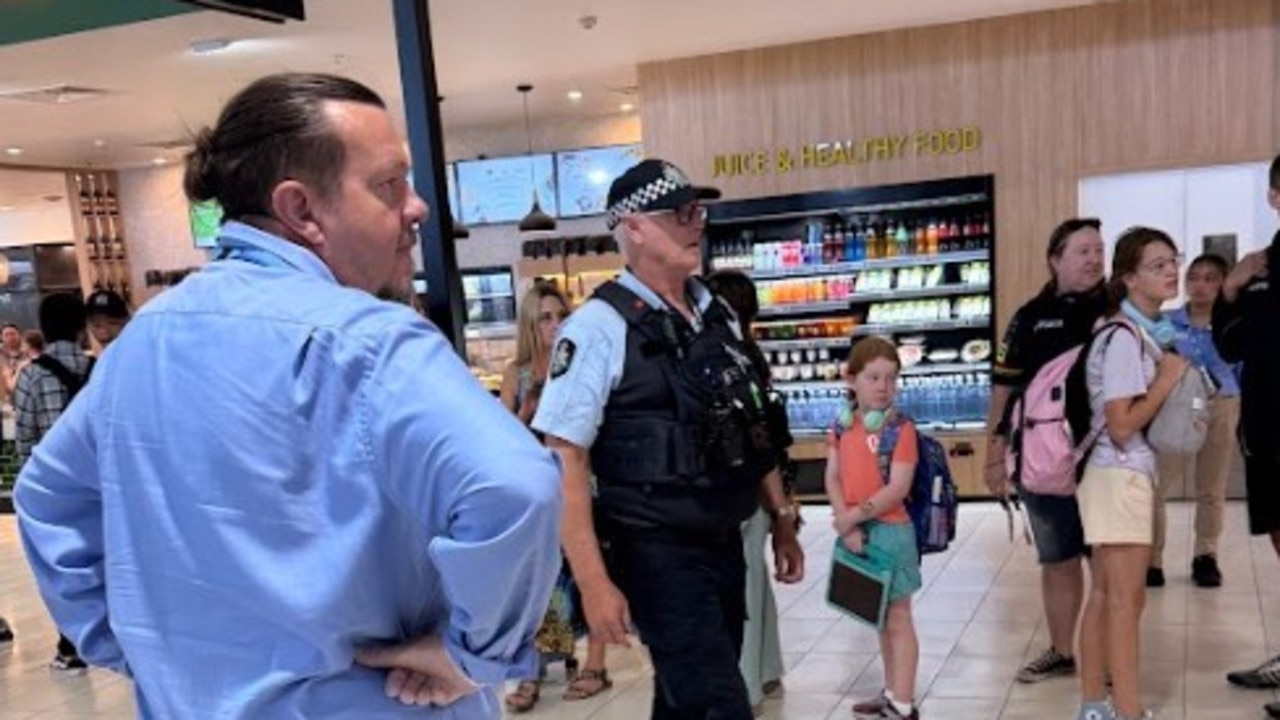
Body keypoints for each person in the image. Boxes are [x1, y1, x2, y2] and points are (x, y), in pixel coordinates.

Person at [15, 73, 562, 719]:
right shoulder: (372, 342)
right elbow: (514, 485)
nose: (416, 207)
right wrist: (474, 655)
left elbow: (47, 497)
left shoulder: (143, 342)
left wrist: (135, 646)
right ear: (302, 209)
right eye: (389, 184)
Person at [532, 158, 805, 719]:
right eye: (679, 212)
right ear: (632, 226)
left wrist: (780, 518)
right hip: (655, 551)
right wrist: (592, 582)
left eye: (698, 209)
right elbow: (564, 458)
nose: (696, 222)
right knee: (718, 705)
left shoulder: (714, 312)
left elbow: (753, 424)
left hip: (724, 540)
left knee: (686, 702)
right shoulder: (596, 329)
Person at [985, 218, 1107, 684]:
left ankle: (1110, 655)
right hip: (1043, 460)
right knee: (1057, 559)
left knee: (1108, 564)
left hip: (1105, 459)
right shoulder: (1030, 317)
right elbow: (1004, 385)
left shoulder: (1117, 310)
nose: (1094, 259)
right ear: (1055, 260)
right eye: (1082, 251)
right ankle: (1061, 649)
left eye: (1099, 250)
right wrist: (995, 451)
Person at [1075, 227, 1186, 720]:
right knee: (1125, 601)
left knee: (1105, 595)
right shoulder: (1123, 337)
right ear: (1129, 278)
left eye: (1172, 261)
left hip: (1112, 476)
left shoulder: (1137, 332)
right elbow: (1121, 424)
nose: (1170, 271)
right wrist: (1165, 381)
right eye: (1157, 265)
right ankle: (1127, 710)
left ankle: (1096, 707)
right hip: (1119, 475)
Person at [500, 283, 611, 712]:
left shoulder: (581, 362)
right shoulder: (518, 372)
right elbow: (500, 435)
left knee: (590, 570)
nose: (554, 324)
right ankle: (529, 669)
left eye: (560, 314)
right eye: (544, 317)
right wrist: (527, 411)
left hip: (584, 484)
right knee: (536, 584)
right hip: (536, 491)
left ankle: (595, 664)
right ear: (530, 323)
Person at [707, 269, 796, 716]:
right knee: (754, 581)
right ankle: (765, 668)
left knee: (743, 586)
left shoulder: (724, 358)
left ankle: (746, 684)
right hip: (763, 485)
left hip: (740, 486)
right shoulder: (751, 357)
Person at [1213, 154, 1280, 720]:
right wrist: (1231, 289)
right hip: (1266, 430)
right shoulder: (1258, 270)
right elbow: (1231, 346)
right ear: (1274, 198)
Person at [827, 337, 923, 720]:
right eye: (874, 378)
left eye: (891, 378)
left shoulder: (901, 429)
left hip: (891, 532)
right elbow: (833, 477)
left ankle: (903, 703)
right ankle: (890, 690)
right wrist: (844, 522)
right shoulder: (839, 426)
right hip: (858, 530)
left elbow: (897, 489)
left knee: (898, 617)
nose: (884, 387)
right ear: (852, 381)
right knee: (880, 616)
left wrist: (852, 518)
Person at [13, 292, 94, 673]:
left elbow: (24, 434)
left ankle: (71, 646)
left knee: (63, 562)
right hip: (100, 482)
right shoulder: (99, 368)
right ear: (83, 325)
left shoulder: (31, 374)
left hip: (55, 490)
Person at [1150, 254, 1239, 588]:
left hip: (1223, 405)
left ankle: (1206, 556)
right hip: (1176, 407)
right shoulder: (1166, 322)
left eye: (1210, 278)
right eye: (1195, 278)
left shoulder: (1233, 321)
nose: (1200, 285)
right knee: (1157, 486)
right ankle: (1152, 560)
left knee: (1211, 488)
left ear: (1223, 283)